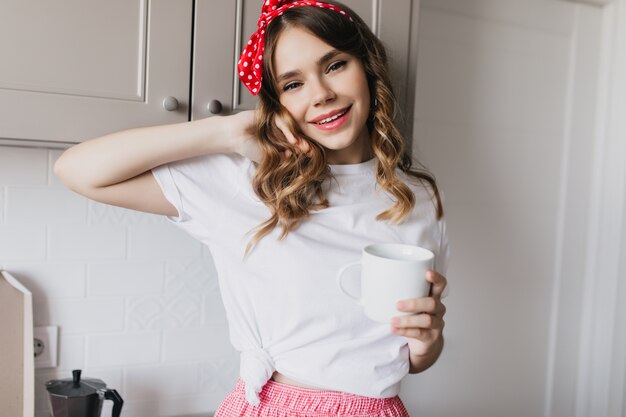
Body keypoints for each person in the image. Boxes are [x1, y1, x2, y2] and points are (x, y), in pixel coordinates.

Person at [54, 1, 449, 416]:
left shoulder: (421, 197)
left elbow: (409, 358)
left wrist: (428, 341)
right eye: (293, 84)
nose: (321, 94)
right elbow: (78, 171)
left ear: (366, 67)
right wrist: (227, 129)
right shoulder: (248, 180)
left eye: (334, 65)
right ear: (276, 102)